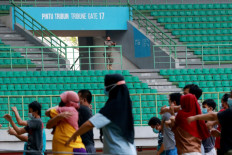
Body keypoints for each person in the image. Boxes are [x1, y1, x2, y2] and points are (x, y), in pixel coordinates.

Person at [66, 74, 136, 154]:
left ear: (111, 89)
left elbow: (89, 124)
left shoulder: (112, 108)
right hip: (129, 150)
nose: (105, 89)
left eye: (106, 86)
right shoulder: (125, 107)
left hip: (118, 151)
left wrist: (74, 136)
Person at [78, 89, 96, 153]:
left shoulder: (84, 109)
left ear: (84, 100)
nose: (76, 101)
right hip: (88, 145)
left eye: (78, 98)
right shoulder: (87, 110)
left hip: (86, 146)